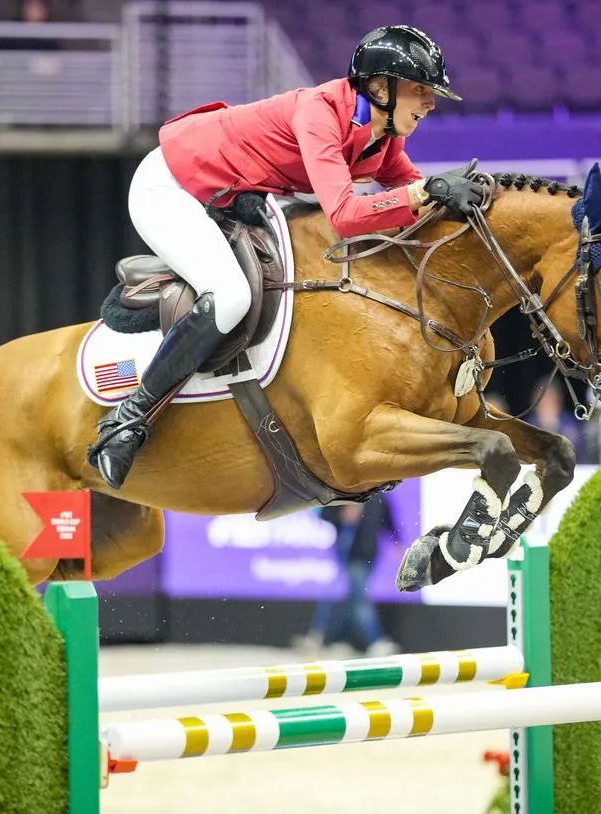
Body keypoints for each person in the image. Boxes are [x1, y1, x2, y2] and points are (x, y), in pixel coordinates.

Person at [86, 25, 482, 489]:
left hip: (222, 192)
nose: (430, 103)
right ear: (380, 87)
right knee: (230, 296)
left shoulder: (383, 137)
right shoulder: (320, 112)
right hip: (170, 186)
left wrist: (450, 200)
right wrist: (420, 192)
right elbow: (346, 215)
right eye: (420, 90)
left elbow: (414, 197)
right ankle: (127, 420)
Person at [303, 495, 400, 656]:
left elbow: (388, 519)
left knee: (351, 597)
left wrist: (397, 541)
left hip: (370, 554)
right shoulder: (345, 494)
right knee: (358, 597)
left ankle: (335, 639)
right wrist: (341, 515)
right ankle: (375, 640)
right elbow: (325, 514)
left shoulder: (378, 496)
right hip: (350, 554)